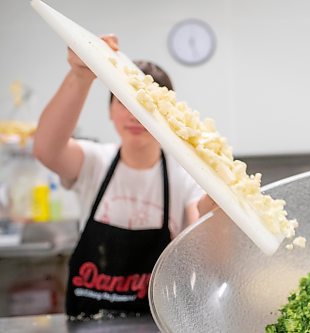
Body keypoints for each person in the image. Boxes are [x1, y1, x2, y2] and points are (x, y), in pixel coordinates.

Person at [33, 35, 215, 317]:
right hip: (89, 320)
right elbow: (46, 149)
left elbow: (201, 246)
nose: (134, 114)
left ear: (169, 116)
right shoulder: (94, 162)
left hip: (156, 320)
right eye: (123, 100)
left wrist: (213, 208)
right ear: (110, 110)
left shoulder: (185, 177)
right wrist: (81, 74)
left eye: (148, 105)